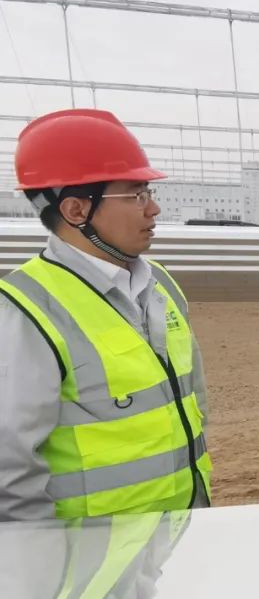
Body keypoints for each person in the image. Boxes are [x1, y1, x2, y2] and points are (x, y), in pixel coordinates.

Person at [0, 109, 211, 521]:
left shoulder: (160, 284)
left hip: (185, 526)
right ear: (76, 211)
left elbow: (193, 399)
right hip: (94, 552)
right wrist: (42, 556)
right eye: (137, 195)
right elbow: (10, 473)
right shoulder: (23, 310)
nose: (154, 209)